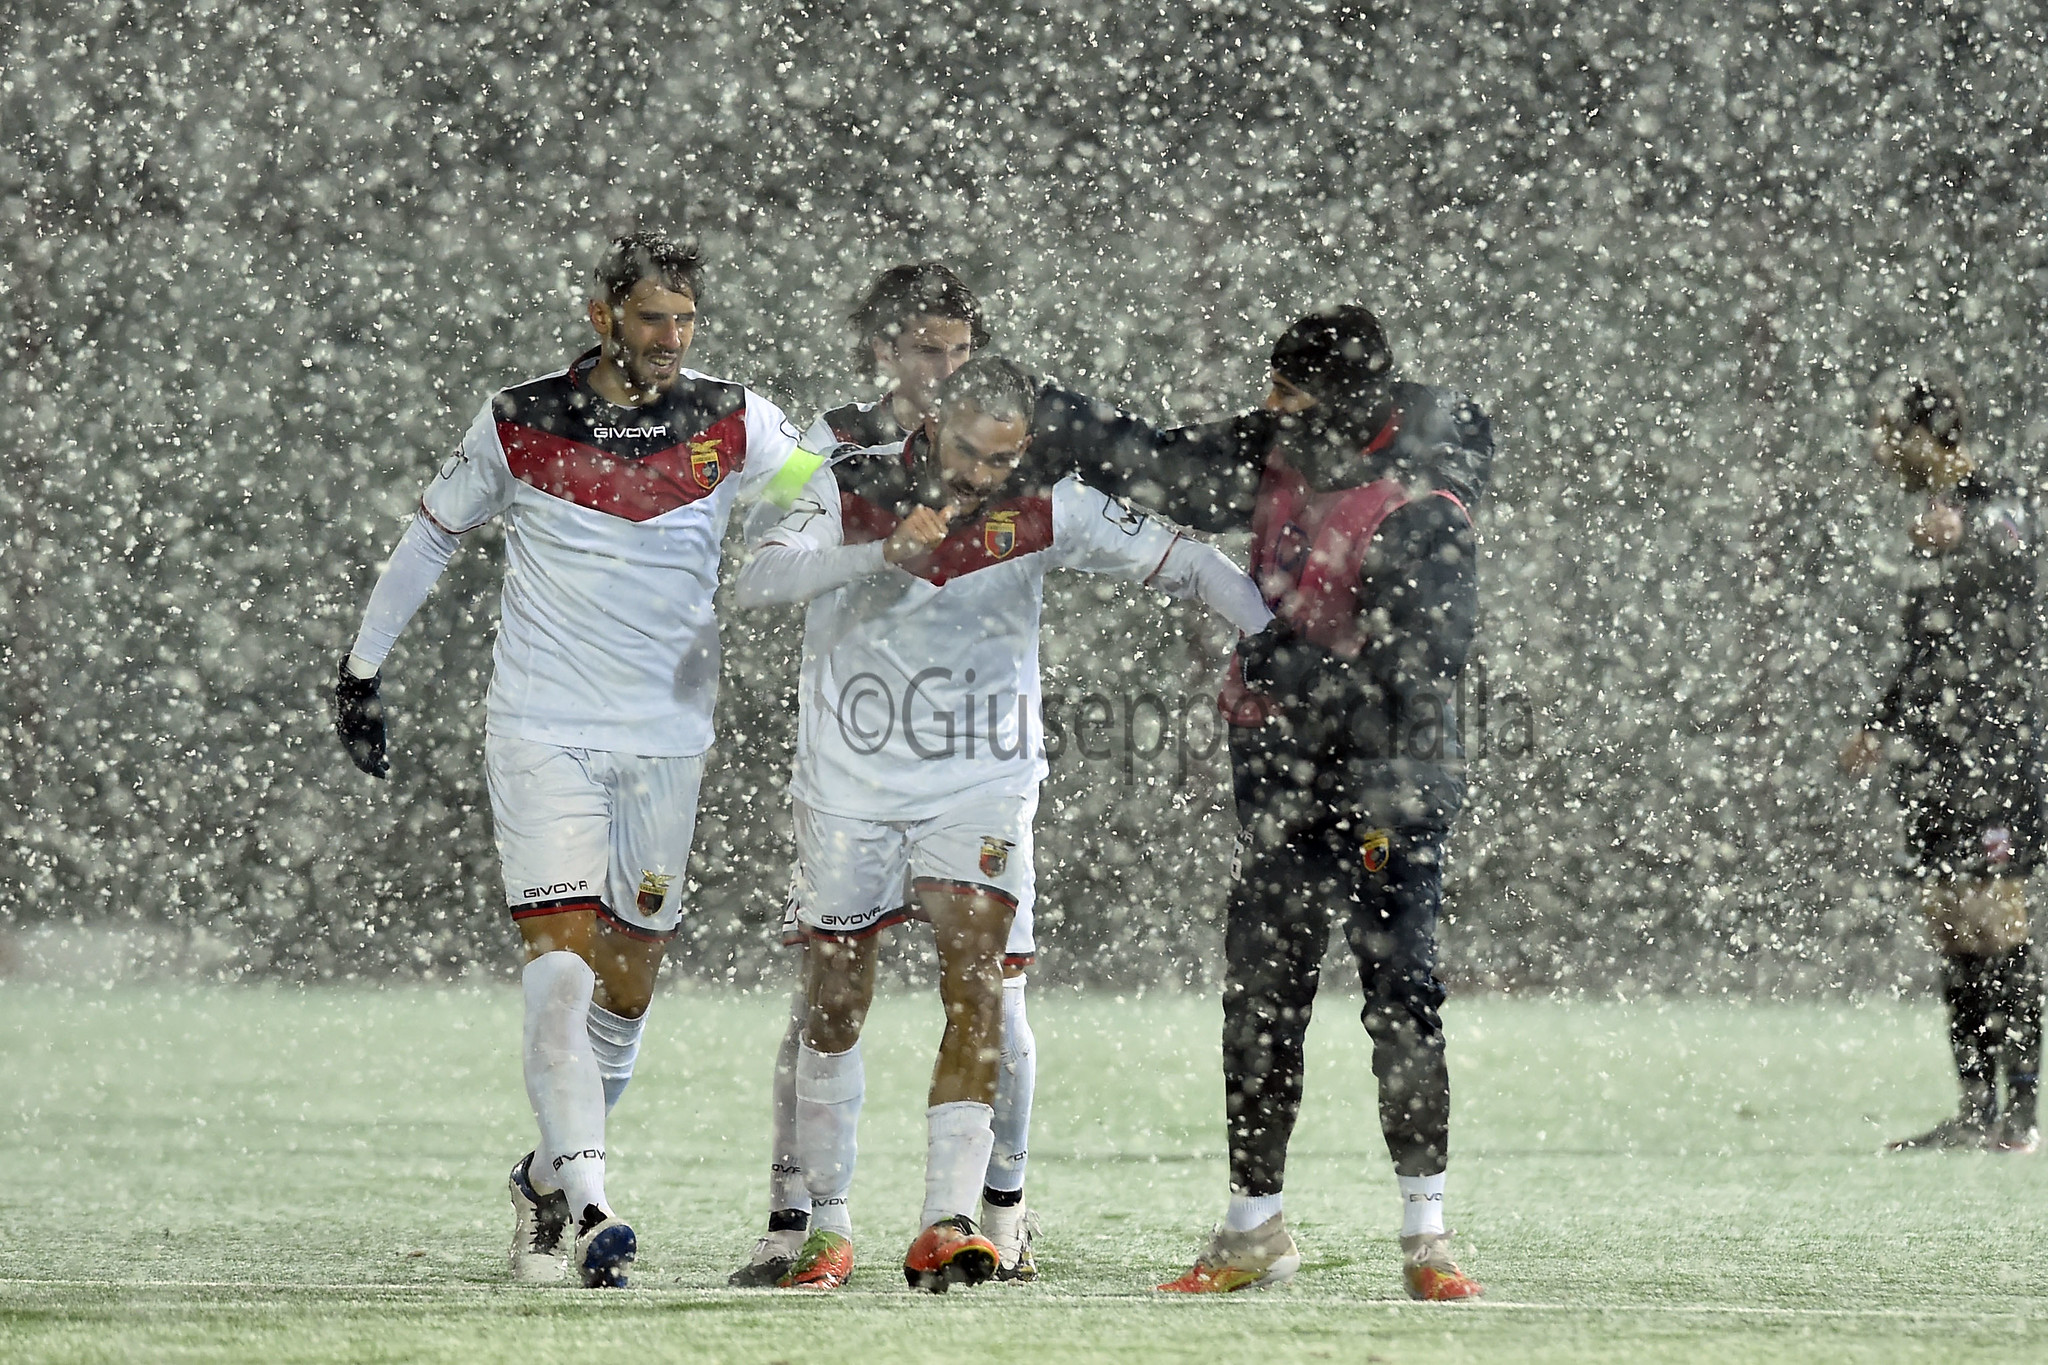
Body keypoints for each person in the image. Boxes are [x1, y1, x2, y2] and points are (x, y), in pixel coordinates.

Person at [331, 232, 820, 1288]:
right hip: (541, 726)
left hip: (667, 741)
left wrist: (890, 463)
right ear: (601, 316)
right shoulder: (519, 419)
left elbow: (819, 491)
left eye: (685, 320)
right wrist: (361, 670)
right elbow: (429, 538)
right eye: (652, 319)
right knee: (558, 970)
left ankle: (545, 1181)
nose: (672, 340)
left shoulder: (732, 418)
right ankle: (594, 1208)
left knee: (625, 995)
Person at [731, 356, 1271, 1291]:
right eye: (973, 454)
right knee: (834, 999)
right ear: (936, 421)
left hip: (980, 783)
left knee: (976, 979)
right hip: (848, 785)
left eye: (1003, 459)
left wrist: (1276, 641)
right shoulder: (848, 477)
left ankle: (948, 1218)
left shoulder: (1052, 502)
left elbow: (1184, 561)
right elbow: (758, 580)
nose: (984, 476)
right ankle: (826, 1224)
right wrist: (880, 554)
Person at [1036, 306, 1492, 1299]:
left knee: (1399, 999)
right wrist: (1047, 411)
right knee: (1261, 992)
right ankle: (1253, 1228)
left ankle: (1426, 1235)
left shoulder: (1420, 502)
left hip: (1387, 779)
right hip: (1282, 772)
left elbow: (1418, 673)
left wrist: (1288, 657)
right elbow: (1158, 465)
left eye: (1286, 393)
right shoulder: (1282, 448)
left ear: (1340, 406)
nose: (1265, 408)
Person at [730, 263, 1060, 1287]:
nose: (944, 368)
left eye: (960, 350)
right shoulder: (822, 452)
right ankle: (799, 1218)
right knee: (826, 994)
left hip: (977, 762)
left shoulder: (1007, 450)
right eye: (926, 348)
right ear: (879, 349)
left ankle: (996, 1211)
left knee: (995, 998)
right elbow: (763, 554)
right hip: (856, 765)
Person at [1842, 376, 2042, 1155]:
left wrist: (1974, 534)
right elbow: (1925, 644)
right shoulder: (1925, 525)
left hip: (1994, 750)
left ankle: (2021, 1113)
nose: (1880, 447)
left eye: (1889, 430)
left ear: (1933, 436)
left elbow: (2016, 556)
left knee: (1999, 920)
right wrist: (1881, 721)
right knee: (1952, 928)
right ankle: (1971, 1107)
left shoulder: (1995, 501)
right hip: (1934, 757)